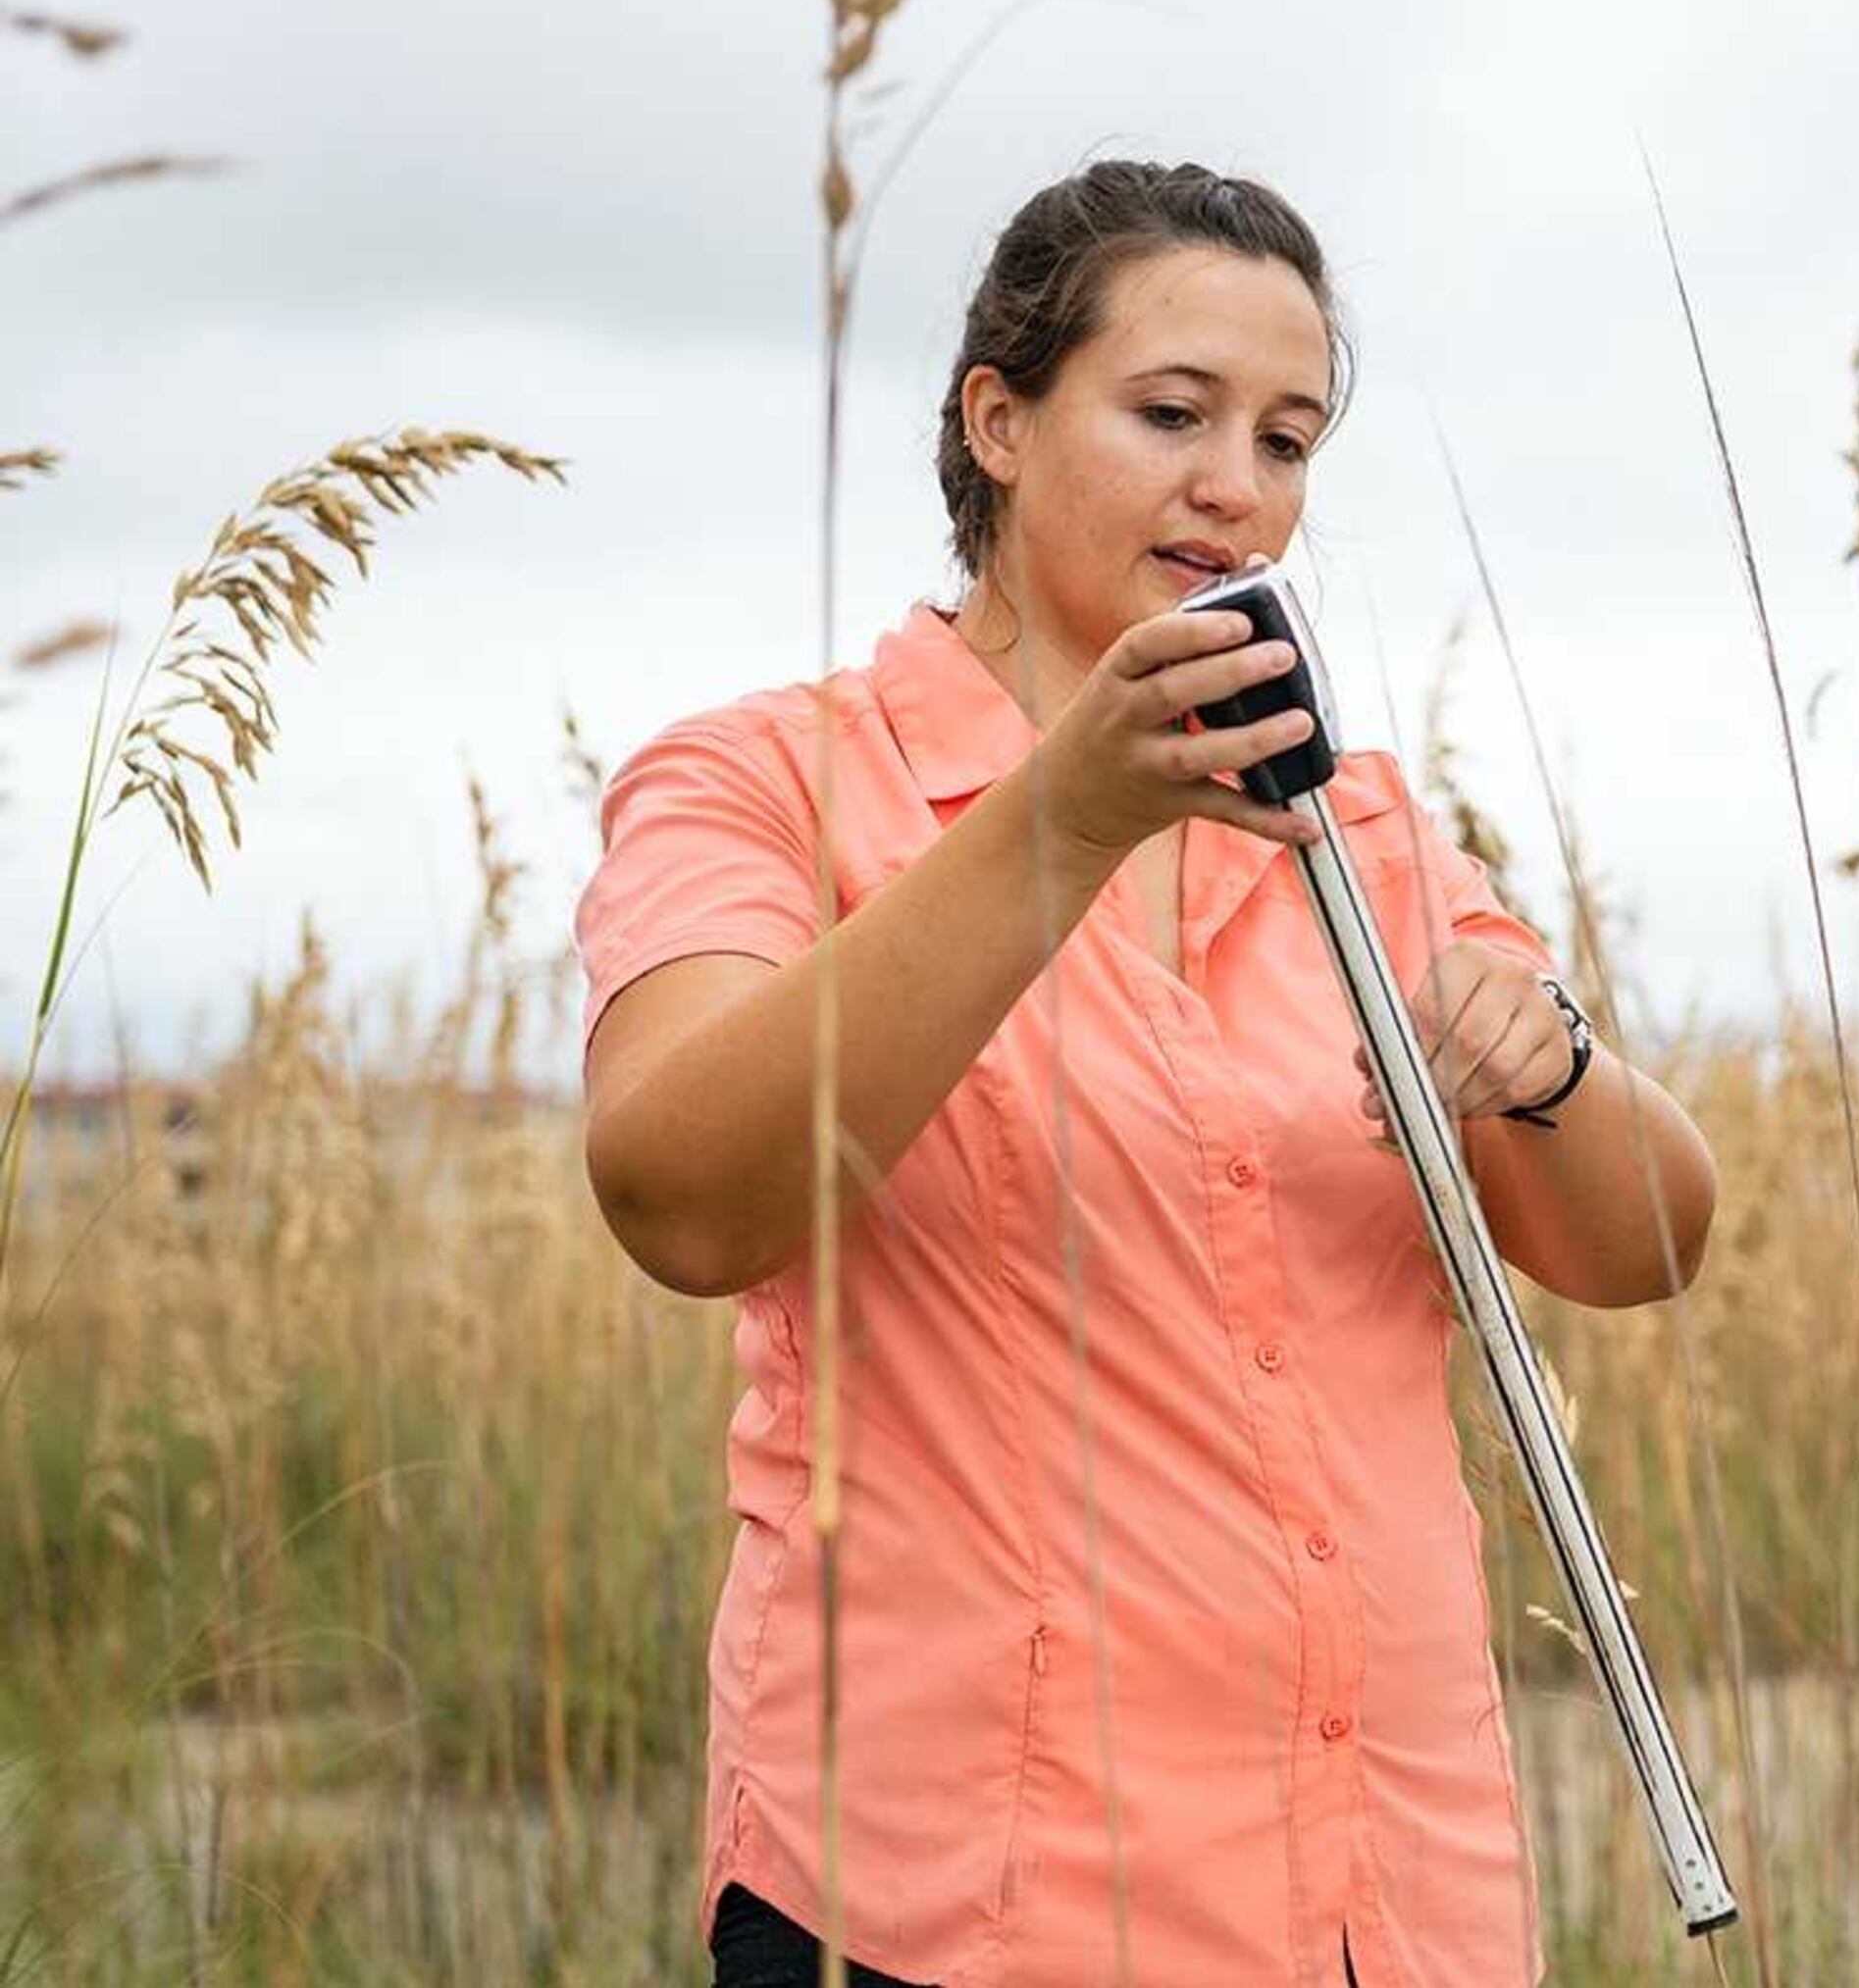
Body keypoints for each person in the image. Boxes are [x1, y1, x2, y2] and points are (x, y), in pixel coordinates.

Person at [576, 159, 1720, 1987]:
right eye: (1173, 413)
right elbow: (677, 1193)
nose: (1237, 487)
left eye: (1288, 437)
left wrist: (1555, 1063)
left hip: (1388, 1896)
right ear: (1000, 419)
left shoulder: (1360, 821)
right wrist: (1065, 818)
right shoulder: (761, 780)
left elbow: (1643, 1243)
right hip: (965, 1907)